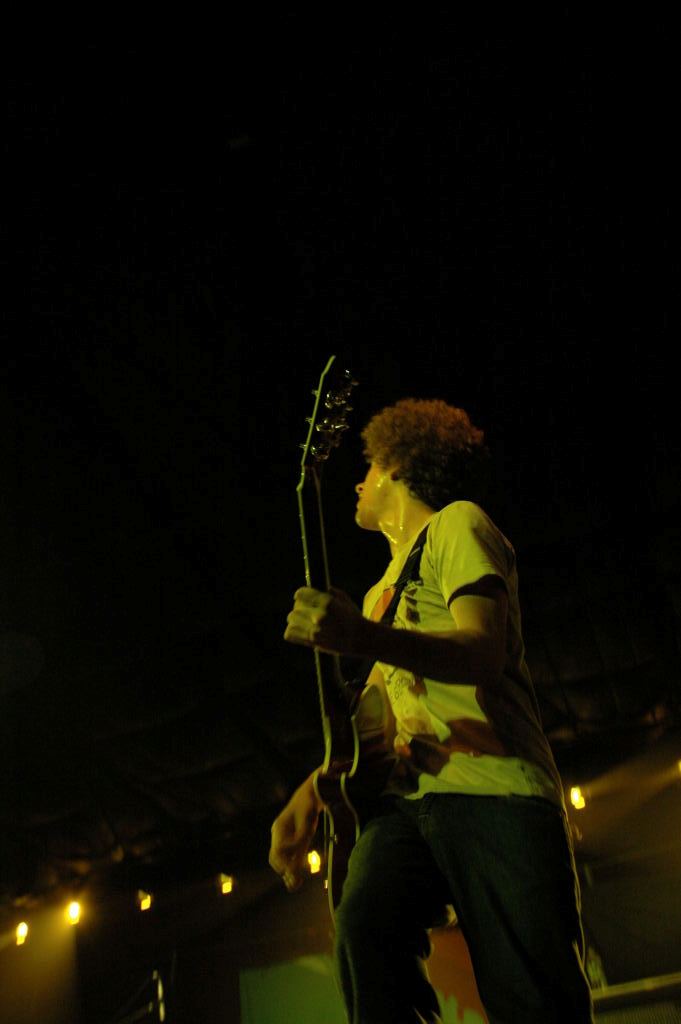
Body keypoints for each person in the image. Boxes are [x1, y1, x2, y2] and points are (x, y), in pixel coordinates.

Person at [270, 398, 593, 1024]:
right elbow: (375, 723)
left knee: (533, 999)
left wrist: (361, 637)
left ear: (397, 465)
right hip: (409, 802)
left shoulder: (457, 524)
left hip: (498, 792)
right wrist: (311, 792)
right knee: (364, 928)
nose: (358, 483)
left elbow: (483, 652)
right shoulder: (378, 593)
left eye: (367, 467)